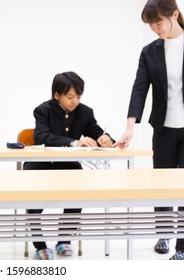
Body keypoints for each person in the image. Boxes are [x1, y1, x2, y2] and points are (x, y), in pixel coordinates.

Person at [114, 0, 184, 260]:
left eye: (158, 22)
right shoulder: (150, 51)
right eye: (150, 24)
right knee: (163, 184)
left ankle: (183, 246)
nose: (155, 28)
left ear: (174, 14)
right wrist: (130, 126)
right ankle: (164, 233)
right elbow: (139, 87)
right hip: (163, 127)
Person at [24, 71, 114, 260]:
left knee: (77, 197)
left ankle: (64, 240)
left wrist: (105, 139)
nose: (75, 102)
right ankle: (39, 244)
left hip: (67, 165)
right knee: (34, 204)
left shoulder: (85, 112)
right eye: (70, 97)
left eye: (78, 97)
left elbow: (96, 133)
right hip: (40, 164)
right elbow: (41, 137)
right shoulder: (43, 110)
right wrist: (74, 142)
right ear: (57, 95)